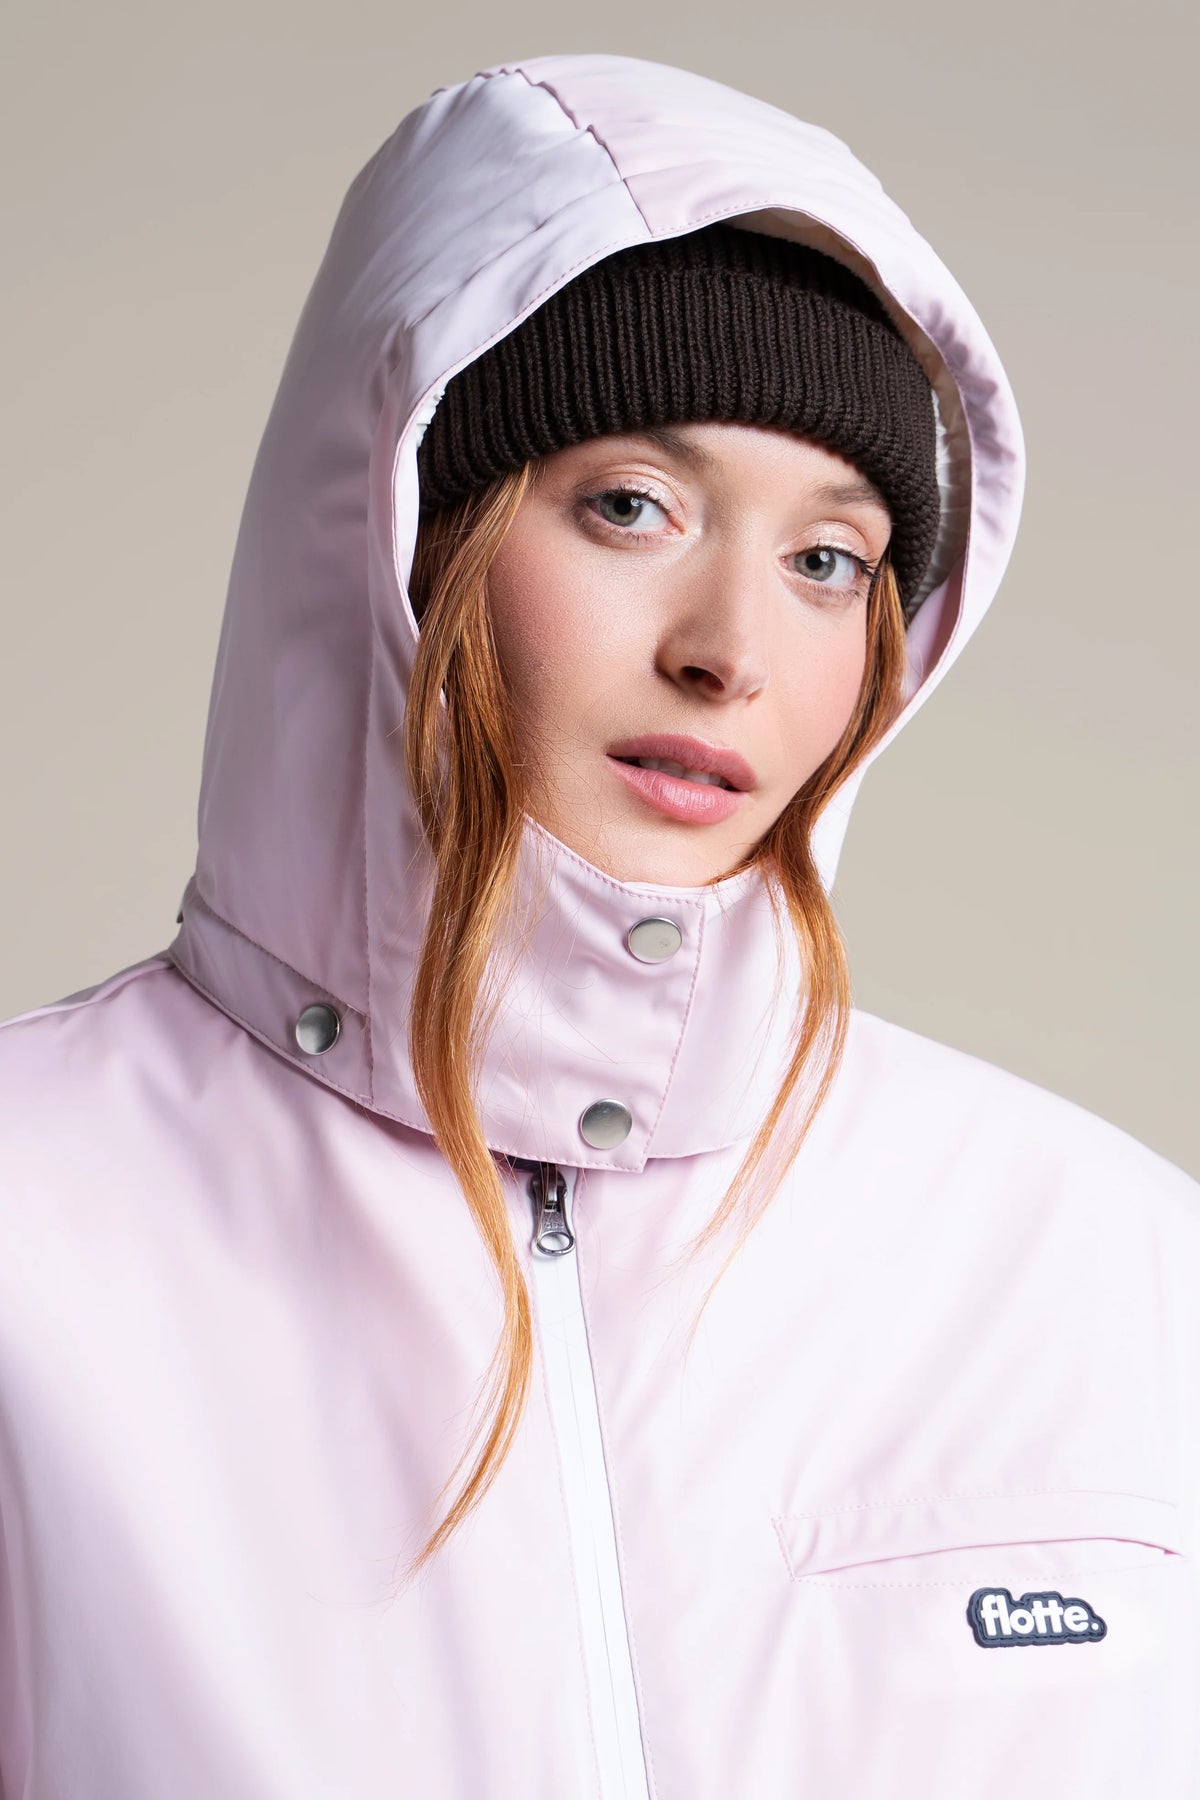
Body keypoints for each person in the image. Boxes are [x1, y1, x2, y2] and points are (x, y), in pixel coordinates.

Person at [0, 48, 1197, 1800]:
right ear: (400, 532)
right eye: (632, 505)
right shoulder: (33, 1220)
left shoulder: (1109, 1264)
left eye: (829, 560)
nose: (733, 651)